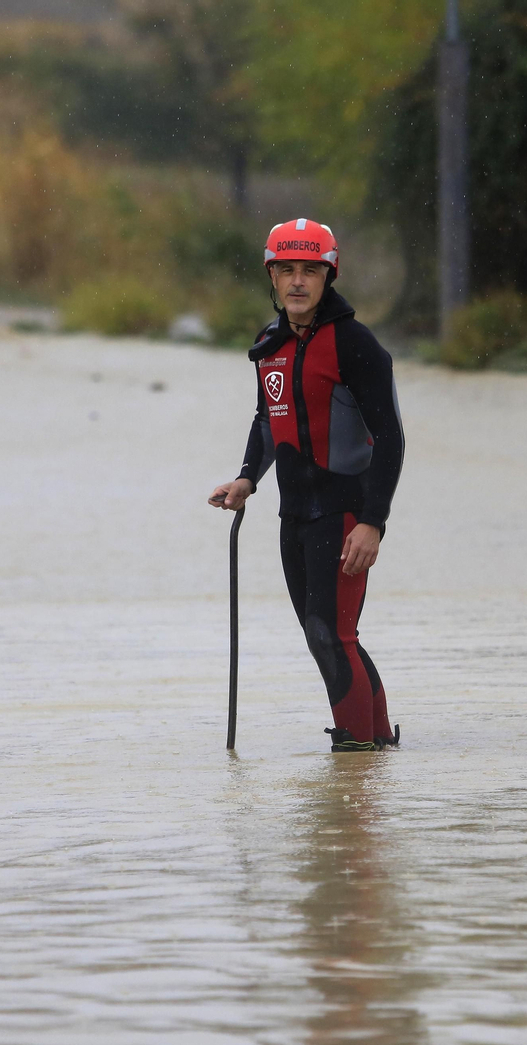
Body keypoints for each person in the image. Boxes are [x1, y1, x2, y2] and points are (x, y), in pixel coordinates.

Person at [208, 219, 406, 753]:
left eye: (310, 271)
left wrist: (373, 522)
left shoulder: (355, 344)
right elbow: (268, 418)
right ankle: (379, 748)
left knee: (330, 635)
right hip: (293, 514)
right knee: (329, 636)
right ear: (272, 276)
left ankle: (356, 757)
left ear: (329, 275)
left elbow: (390, 438)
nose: (298, 281)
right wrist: (248, 477)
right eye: (287, 270)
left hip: (344, 514)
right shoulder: (268, 344)